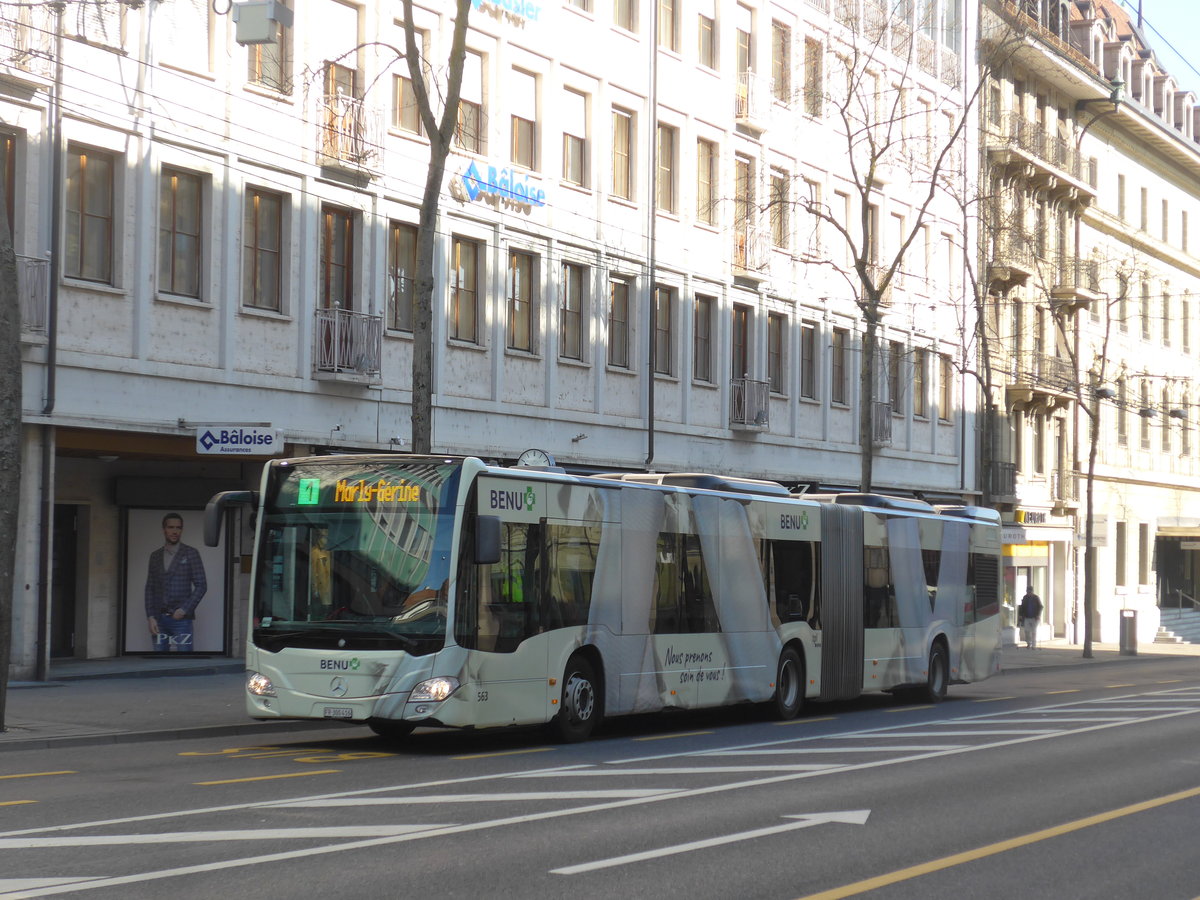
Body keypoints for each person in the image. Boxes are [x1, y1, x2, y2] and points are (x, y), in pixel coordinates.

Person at [145, 513, 207, 652]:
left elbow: (201, 585)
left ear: (181, 530)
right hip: (159, 618)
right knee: (158, 663)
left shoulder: (191, 553)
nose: (174, 531)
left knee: (184, 662)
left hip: (182, 620)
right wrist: (150, 616)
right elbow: (150, 587)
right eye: (171, 527)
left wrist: (184, 609)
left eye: (178, 528)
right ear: (164, 529)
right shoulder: (155, 556)